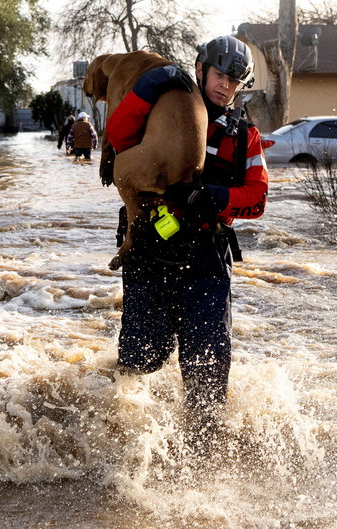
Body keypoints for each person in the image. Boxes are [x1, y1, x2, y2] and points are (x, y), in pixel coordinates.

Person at [104, 36, 268, 445]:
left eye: (234, 81)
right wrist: (149, 87)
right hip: (149, 249)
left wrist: (212, 197)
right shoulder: (159, 110)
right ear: (200, 69)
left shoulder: (244, 135)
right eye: (219, 75)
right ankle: (122, 435)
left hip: (207, 260)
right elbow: (119, 136)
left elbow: (259, 197)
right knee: (141, 357)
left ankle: (204, 453)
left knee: (208, 369)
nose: (225, 87)